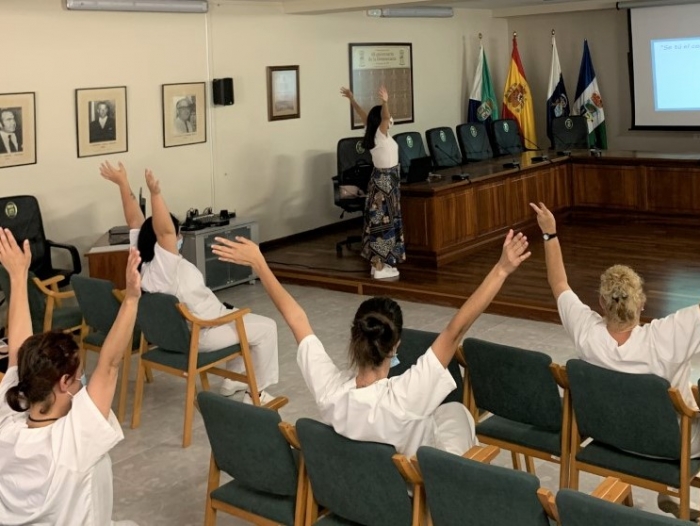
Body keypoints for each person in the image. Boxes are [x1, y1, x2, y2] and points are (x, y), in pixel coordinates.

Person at [211, 229, 530, 457]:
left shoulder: (329, 391)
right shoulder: (407, 396)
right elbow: (456, 329)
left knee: (448, 415)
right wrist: (501, 269)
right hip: (409, 493)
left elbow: (297, 319)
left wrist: (261, 265)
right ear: (395, 346)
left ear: (354, 337)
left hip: (368, 491)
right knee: (457, 414)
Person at [530, 202, 700, 518]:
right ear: (643, 302)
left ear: (600, 303)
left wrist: (550, 234)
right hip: (672, 447)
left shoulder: (587, 335)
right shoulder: (666, 337)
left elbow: (559, 285)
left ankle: (669, 496)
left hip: (610, 436)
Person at [99, 161, 279, 403]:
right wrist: (155, 194)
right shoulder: (165, 267)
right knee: (266, 328)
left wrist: (123, 183)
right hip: (201, 333)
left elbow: (135, 221)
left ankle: (232, 381)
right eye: (177, 234)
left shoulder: (142, 259)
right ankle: (255, 393)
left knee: (239, 316)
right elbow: (164, 231)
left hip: (180, 331)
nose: (179, 237)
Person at [0, 228, 141, 526]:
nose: (83, 382)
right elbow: (111, 363)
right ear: (64, 383)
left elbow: (17, 351)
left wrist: (17, 276)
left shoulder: (7, 421)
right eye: (78, 377)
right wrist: (130, 299)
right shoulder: (74, 440)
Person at [340, 86, 405, 280]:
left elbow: (363, 114)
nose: (390, 119)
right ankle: (379, 266)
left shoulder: (376, 133)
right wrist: (385, 101)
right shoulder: (379, 134)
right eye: (387, 117)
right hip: (384, 184)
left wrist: (352, 99)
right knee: (381, 226)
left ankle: (381, 264)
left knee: (386, 223)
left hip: (389, 183)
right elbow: (385, 117)